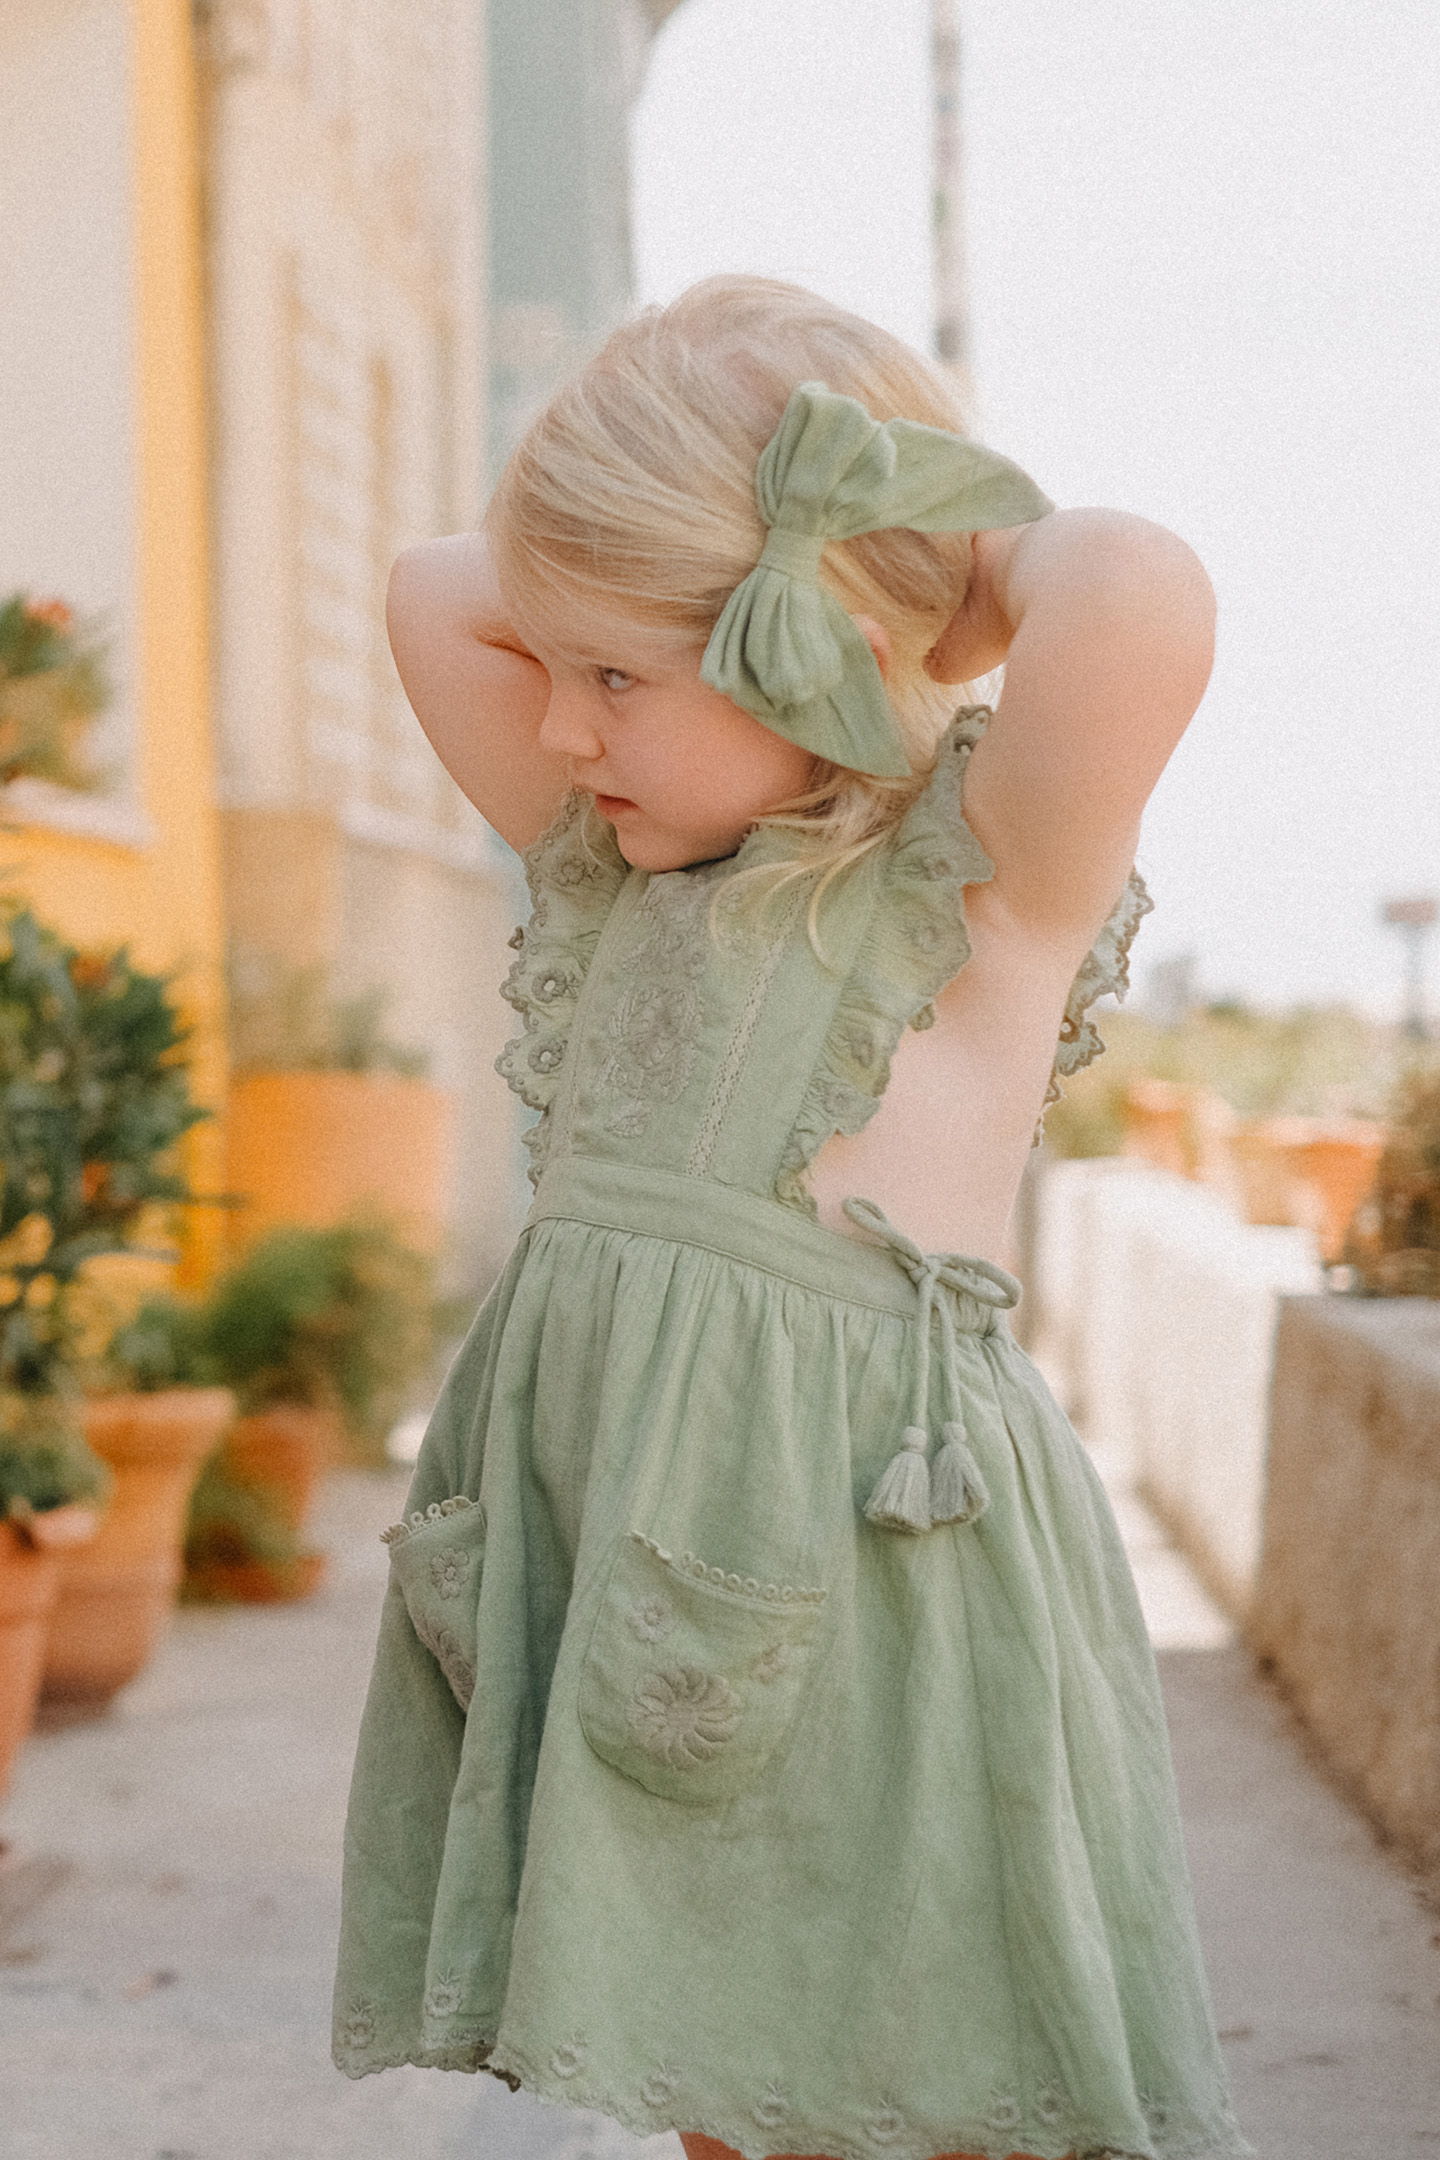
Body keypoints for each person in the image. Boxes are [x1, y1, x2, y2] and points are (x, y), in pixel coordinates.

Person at [333, 276, 1246, 2160]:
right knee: (722, 2081)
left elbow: (1136, 587)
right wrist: (654, 587)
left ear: (807, 635)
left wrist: (901, 563)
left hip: (869, 1588)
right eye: (561, 669)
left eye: (616, 678)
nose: (562, 726)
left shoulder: (983, 890)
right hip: (645, 1578)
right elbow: (435, 587)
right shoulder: (614, 863)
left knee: (915, 2078)